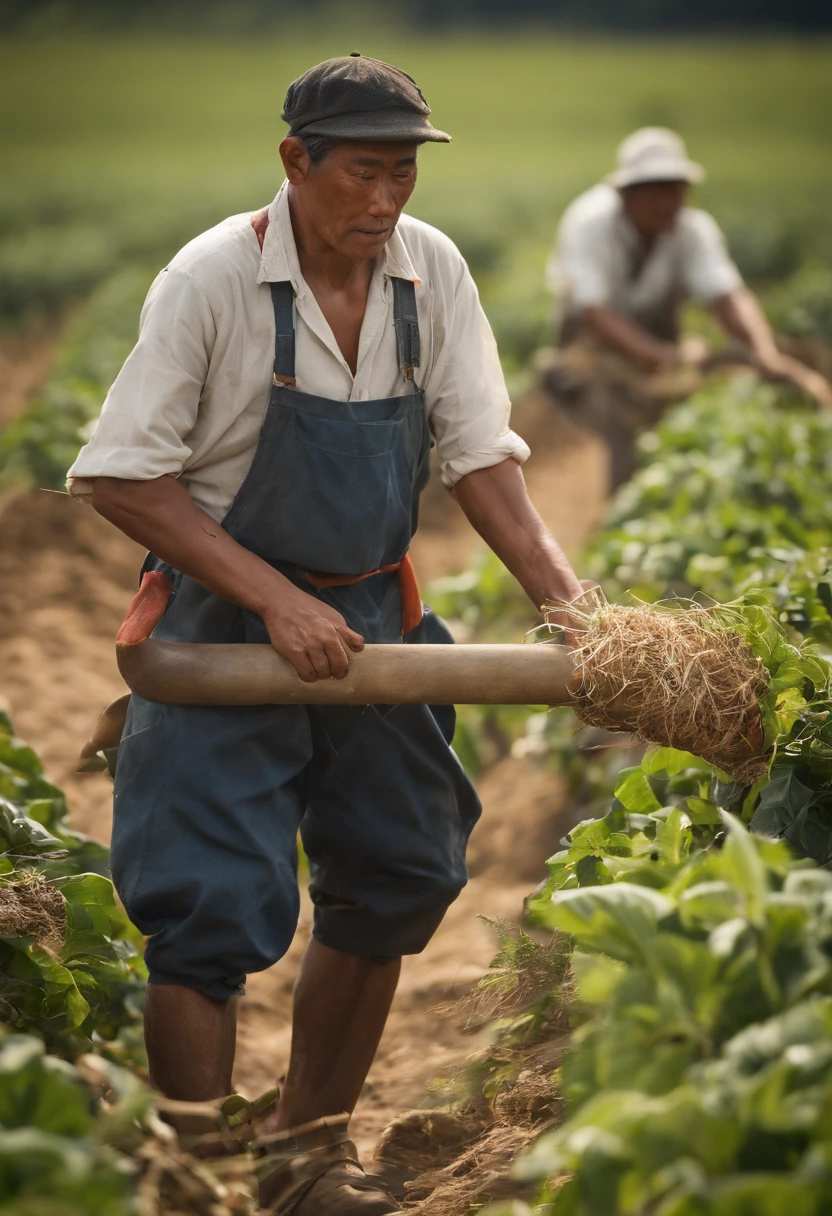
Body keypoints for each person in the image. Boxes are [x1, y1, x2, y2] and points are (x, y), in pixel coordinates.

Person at [66, 54, 585, 1215]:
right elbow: (122, 478)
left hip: (371, 617)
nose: (385, 200)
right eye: (361, 173)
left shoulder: (427, 272)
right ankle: (194, 1176)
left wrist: (575, 610)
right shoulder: (213, 279)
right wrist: (272, 597)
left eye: (401, 173)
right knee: (206, 905)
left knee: (399, 869)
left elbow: (481, 461)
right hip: (213, 624)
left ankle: (307, 1162)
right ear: (294, 162)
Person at [543, 126, 832, 487]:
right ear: (627, 194)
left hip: (656, 330)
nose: (670, 201)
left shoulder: (692, 230)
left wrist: (765, 352)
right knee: (616, 414)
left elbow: (727, 296)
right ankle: (619, 494)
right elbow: (594, 311)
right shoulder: (589, 223)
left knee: (673, 405)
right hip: (591, 337)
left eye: (677, 189)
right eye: (658, 190)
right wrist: (665, 356)